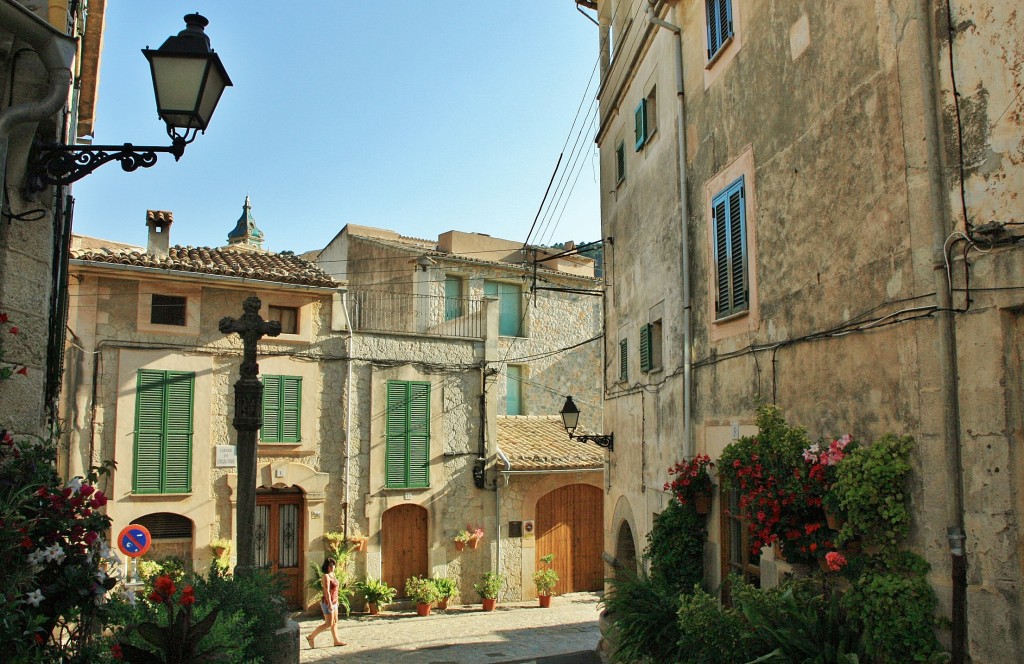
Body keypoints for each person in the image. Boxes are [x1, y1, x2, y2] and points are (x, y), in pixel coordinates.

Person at [306, 557, 346, 648]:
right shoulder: (326, 576)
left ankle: (336, 641)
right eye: (330, 565)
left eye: (333, 565)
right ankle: (311, 637)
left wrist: (337, 601)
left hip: (334, 602)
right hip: (327, 602)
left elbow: (335, 590)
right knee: (328, 623)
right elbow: (326, 591)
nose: (332, 567)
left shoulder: (333, 575)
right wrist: (330, 603)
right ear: (326, 566)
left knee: (335, 622)